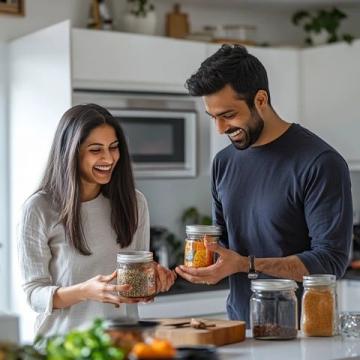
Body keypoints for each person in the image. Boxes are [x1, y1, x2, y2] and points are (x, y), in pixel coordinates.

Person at [175, 44, 353, 324]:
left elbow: (330, 262)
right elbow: (222, 246)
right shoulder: (223, 162)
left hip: (302, 333)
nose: (220, 129)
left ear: (260, 100)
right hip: (239, 327)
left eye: (229, 115)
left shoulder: (320, 162)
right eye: (213, 118)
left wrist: (248, 265)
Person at [18, 104, 176, 337]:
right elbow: (34, 295)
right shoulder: (39, 208)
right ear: (71, 152)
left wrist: (153, 279)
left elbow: (135, 277)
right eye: (96, 150)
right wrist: (85, 291)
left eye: (114, 147)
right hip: (65, 347)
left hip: (122, 344)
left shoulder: (134, 202)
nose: (109, 158)